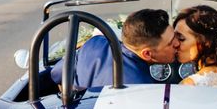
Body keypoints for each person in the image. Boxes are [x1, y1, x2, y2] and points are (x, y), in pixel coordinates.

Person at [51, 9, 180, 87]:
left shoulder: (95, 43)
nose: (177, 44)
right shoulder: (142, 86)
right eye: (170, 43)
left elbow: (56, 73)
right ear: (147, 54)